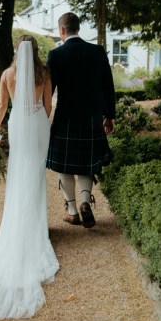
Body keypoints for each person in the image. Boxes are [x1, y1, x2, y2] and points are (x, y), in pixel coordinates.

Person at [0, 35, 58, 320]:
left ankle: (23, 226)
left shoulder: (7, 74)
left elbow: (2, 106)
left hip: (18, 124)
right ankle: (37, 229)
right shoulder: (44, 72)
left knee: (19, 174)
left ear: (16, 51)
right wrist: (42, 122)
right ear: (36, 51)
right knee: (35, 175)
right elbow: (49, 105)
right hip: (36, 123)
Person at [46, 12, 116, 228]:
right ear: (79, 28)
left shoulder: (55, 55)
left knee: (64, 166)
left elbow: (50, 91)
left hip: (66, 117)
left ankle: (73, 210)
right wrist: (110, 115)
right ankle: (86, 201)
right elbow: (108, 86)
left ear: (62, 31)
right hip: (92, 118)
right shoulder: (97, 52)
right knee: (87, 164)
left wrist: (44, 115)